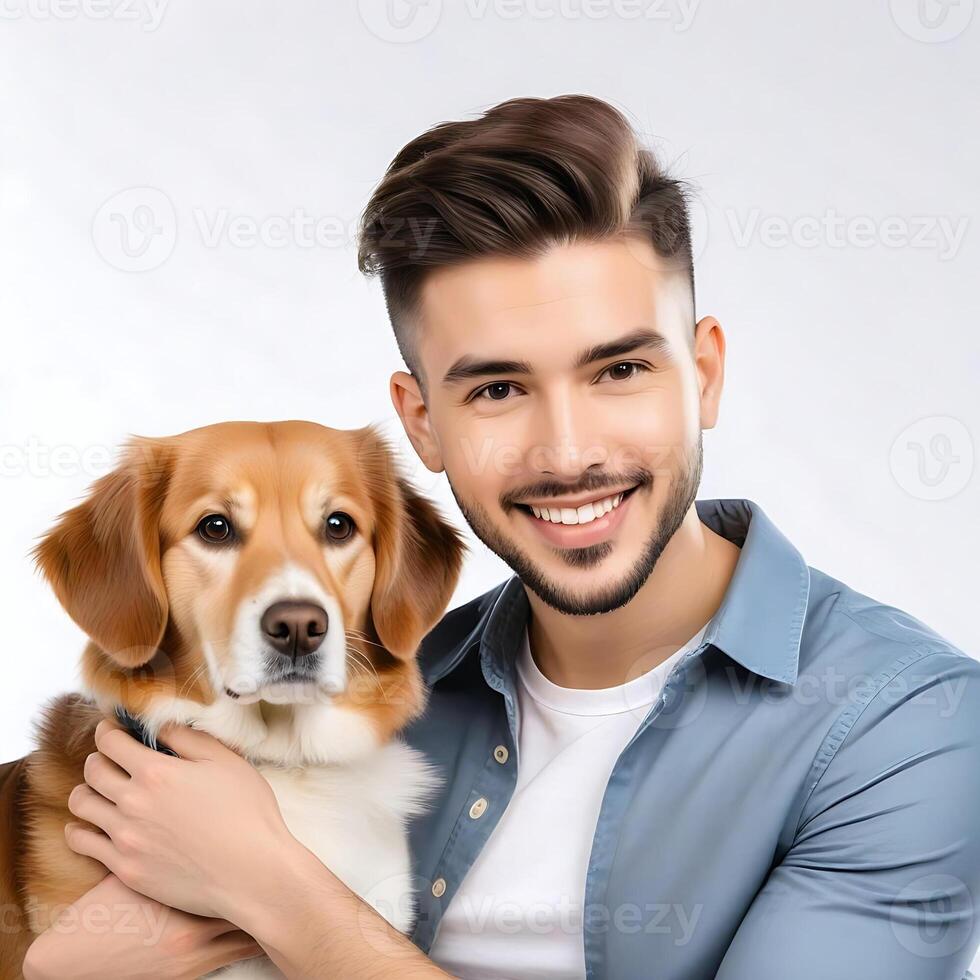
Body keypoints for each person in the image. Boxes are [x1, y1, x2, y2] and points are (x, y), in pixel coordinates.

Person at [25, 94, 980, 979]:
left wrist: (276, 891)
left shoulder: (909, 731)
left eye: (619, 372)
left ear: (706, 374)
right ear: (423, 422)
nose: (568, 452)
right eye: (497, 389)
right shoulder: (372, 692)